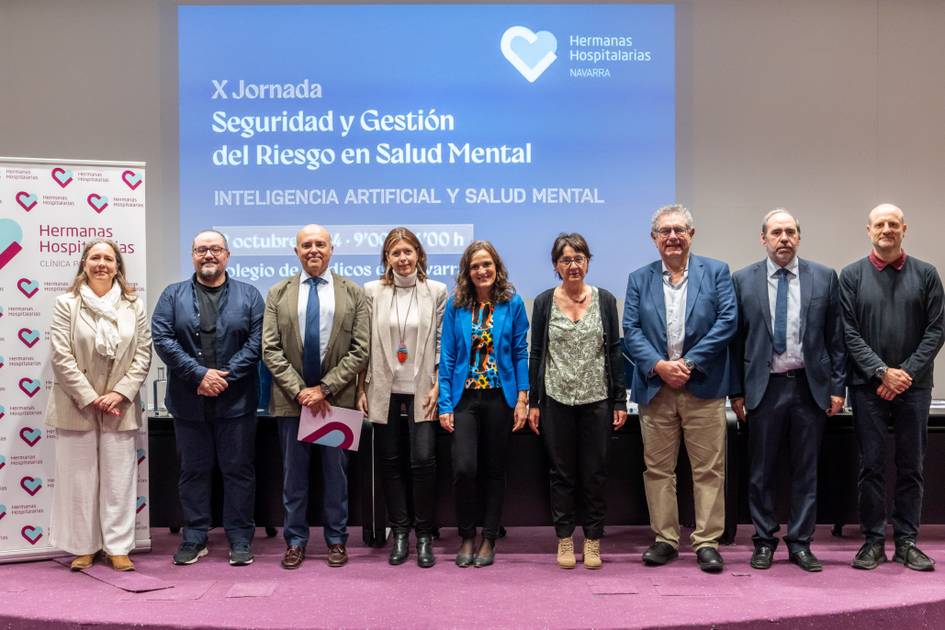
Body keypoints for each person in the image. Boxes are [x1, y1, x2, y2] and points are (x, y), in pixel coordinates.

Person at [730, 209, 846, 572]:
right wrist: (736, 392)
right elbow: (735, 342)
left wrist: (837, 387)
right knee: (761, 472)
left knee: (805, 471)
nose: (784, 238)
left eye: (790, 232)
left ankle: (800, 543)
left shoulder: (824, 277)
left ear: (799, 237)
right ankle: (763, 541)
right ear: (763, 238)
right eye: (776, 232)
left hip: (809, 390)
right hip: (763, 389)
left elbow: (837, 338)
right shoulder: (742, 280)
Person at [623, 204, 737, 573]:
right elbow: (632, 331)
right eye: (665, 231)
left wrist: (686, 364)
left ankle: (706, 541)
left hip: (703, 385)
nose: (672, 236)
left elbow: (727, 322)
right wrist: (659, 366)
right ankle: (665, 539)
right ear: (654, 239)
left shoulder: (716, 271)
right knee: (658, 470)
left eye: (679, 230)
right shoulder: (639, 278)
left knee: (708, 469)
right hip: (656, 388)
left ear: (691, 234)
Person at [840, 203, 944, 571]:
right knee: (871, 465)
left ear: (904, 229)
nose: (887, 229)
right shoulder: (851, 276)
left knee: (911, 465)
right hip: (868, 388)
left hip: (914, 389)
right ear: (868, 230)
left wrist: (905, 375)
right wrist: (882, 373)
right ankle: (871, 541)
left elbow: (936, 331)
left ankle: (906, 541)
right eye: (880, 224)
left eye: (893, 224)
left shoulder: (927, 275)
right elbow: (848, 333)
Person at [151, 229, 264, 566]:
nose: (209, 255)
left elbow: (258, 342)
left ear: (227, 255)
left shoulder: (250, 295)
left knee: (238, 470)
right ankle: (195, 536)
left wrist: (223, 376)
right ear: (193, 255)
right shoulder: (172, 295)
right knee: (193, 471)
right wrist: (199, 375)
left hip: (237, 401)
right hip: (189, 401)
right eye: (202, 250)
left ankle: (240, 538)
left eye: (215, 249)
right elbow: (162, 338)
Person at [263, 224, 369, 569]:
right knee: (294, 478)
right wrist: (301, 391)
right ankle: (295, 541)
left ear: (331, 249)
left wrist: (323, 390)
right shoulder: (278, 293)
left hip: (335, 403)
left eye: (320, 244)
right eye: (306, 245)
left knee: (335, 477)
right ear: (296, 251)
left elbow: (361, 349)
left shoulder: (353, 293)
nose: (313, 250)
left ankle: (337, 540)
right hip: (291, 402)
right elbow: (270, 349)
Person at [46, 239, 152, 571]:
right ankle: (83, 547)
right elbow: (61, 356)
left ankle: (118, 547)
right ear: (84, 264)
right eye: (95, 257)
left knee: (119, 479)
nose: (102, 263)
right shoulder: (66, 303)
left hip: (120, 406)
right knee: (79, 479)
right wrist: (91, 397)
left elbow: (143, 354)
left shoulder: (134, 305)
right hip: (77, 404)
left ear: (118, 266)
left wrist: (119, 393)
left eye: (108, 258)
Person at [527, 233, 627, 570]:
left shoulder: (605, 299)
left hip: (596, 399)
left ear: (588, 261)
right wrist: (535, 402)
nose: (573, 265)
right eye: (566, 259)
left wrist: (619, 400)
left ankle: (594, 541)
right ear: (556, 265)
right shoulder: (543, 302)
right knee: (562, 474)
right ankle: (565, 539)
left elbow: (614, 350)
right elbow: (537, 352)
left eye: (579, 258)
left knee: (595, 473)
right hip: (556, 400)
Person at [357, 228, 447, 568]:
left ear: (419, 255)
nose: (403, 259)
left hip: (423, 386)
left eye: (408, 252)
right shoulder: (372, 291)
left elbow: (440, 341)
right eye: (396, 253)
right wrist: (360, 389)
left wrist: (439, 382)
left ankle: (423, 535)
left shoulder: (436, 291)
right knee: (390, 463)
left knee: (423, 461)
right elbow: (364, 343)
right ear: (387, 259)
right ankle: (399, 532)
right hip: (383, 387)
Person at [438, 240, 529, 568]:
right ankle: (466, 535)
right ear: (468, 271)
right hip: (465, 399)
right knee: (464, 468)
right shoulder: (456, 304)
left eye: (487, 264)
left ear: (496, 267)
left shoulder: (512, 303)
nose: (482, 270)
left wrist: (522, 397)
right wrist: (445, 404)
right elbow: (447, 355)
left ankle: (489, 537)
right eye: (475, 266)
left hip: (499, 398)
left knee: (494, 470)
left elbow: (520, 352)